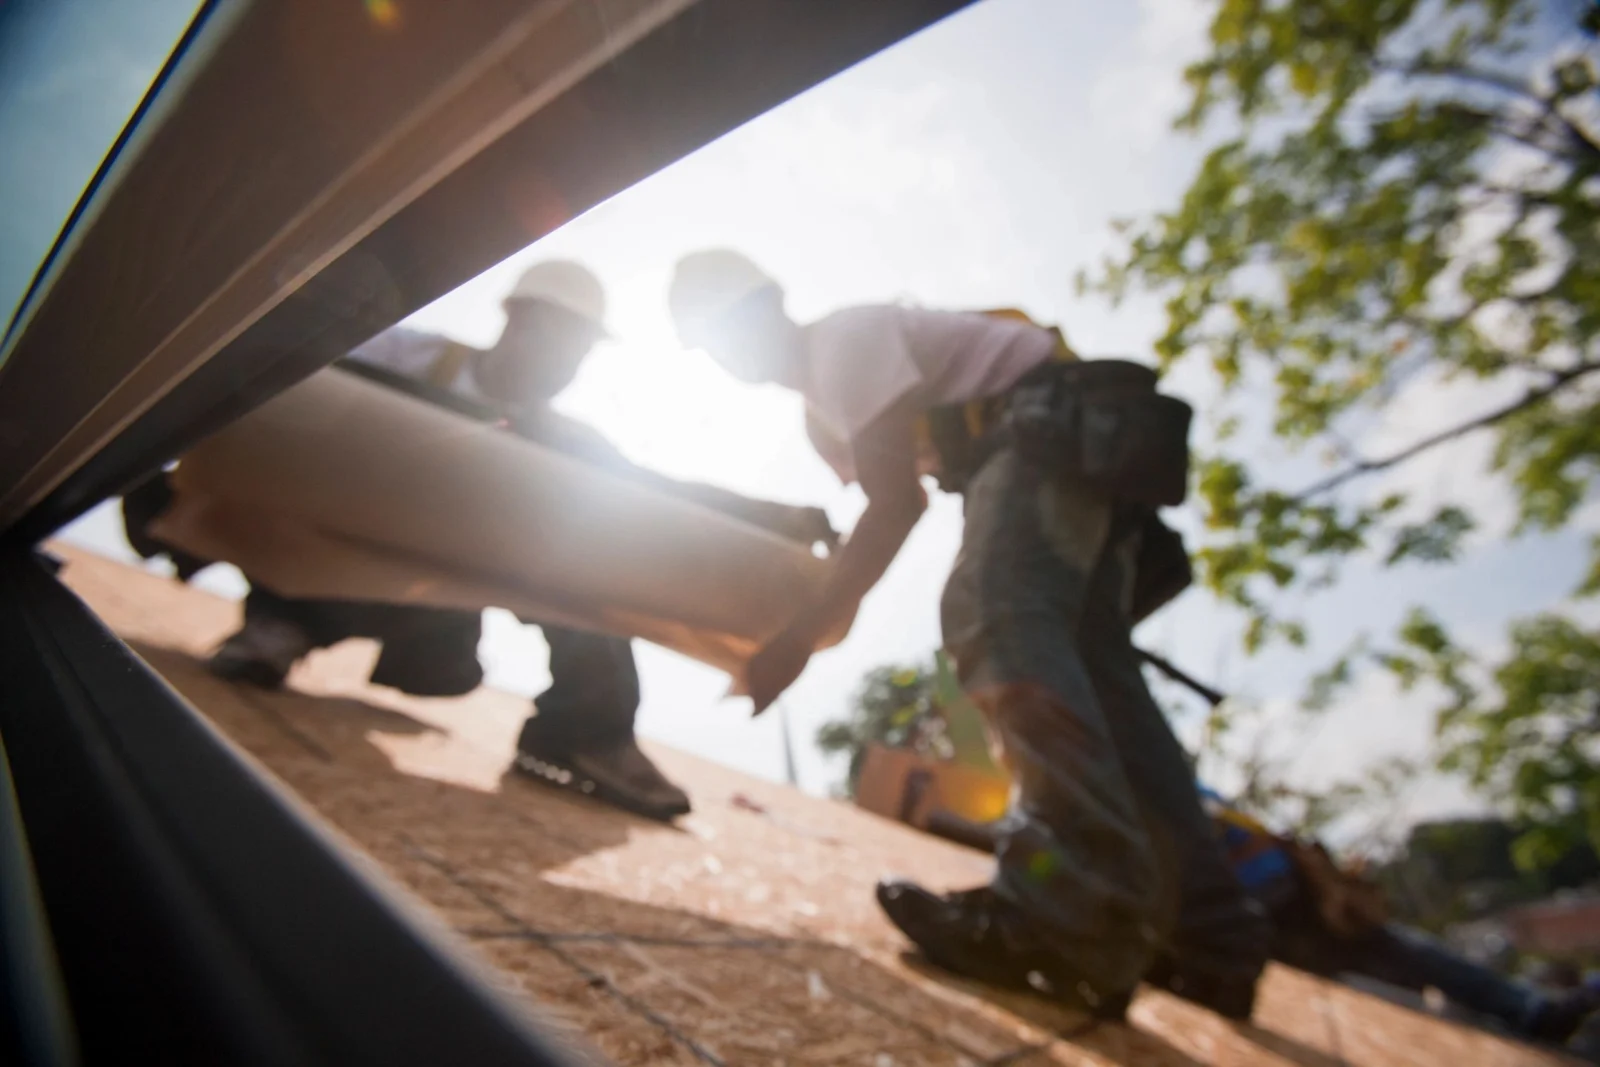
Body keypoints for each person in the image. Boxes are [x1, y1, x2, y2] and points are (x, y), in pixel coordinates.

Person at [665, 250, 1269, 1020]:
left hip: (1044, 432)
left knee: (999, 613)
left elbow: (895, 505)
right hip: (1083, 449)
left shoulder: (841, 345)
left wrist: (800, 634)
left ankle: (1069, 915)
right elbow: (895, 494)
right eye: (714, 337)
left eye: (735, 320)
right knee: (1104, 683)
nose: (731, 346)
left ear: (774, 299)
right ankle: (1212, 939)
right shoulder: (823, 410)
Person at [125, 260, 836, 823]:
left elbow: (656, 495)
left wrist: (774, 517)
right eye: (561, 341)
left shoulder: (560, 441)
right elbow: (273, 390)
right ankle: (280, 623)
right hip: (316, 561)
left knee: (591, 535)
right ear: (517, 319)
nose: (567, 364)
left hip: (428, 605)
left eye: (580, 352)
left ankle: (585, 728)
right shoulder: (405, 359)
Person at [1200, 786, 1600, 1048]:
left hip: (1301, 902)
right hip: (1262, 921)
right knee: (1377, 987)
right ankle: (1525, 1014)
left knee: (1412, 957)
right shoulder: (1175, 797)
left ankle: (1530, 1012)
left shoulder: (1190, 788)